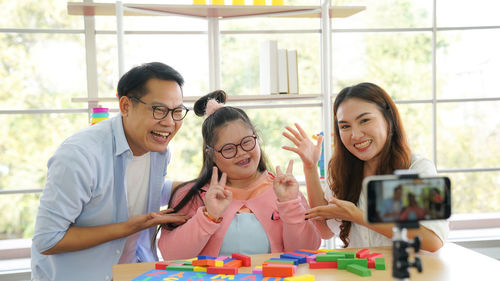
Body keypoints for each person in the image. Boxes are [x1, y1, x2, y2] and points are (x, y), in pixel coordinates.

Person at [31, 62, 190, 281]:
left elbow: (135, 189)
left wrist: (196, 186)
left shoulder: (158, 150)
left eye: (177, 111)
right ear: (125, 106)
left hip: (134, 273)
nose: (170, 123)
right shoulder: (79, 156)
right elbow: (48, 239)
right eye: (159, 110)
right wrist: (126, 228)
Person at [282, 82, 448, 252]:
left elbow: (433, 240)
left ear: (388, 118)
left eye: (365, 120)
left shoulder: (416, 168)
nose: (355, 135)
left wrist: (359, 217)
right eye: (345, 126)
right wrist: (310, 167)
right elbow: (324, 230)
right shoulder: (342, 171)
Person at [158, 90, 321, 260]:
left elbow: (306, 254)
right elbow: (171, 255)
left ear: (257, 139)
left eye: (247, 142)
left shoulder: (285, 191)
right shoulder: (191, 195)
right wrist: (208, 216)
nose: (242, 153)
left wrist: (289, 205)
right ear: (211, 155)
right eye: (229, 148)